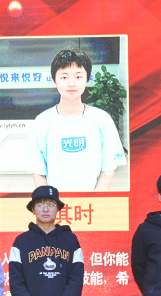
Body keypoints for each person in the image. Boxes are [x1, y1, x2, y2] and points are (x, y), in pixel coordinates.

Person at [26, 49, 126, 191]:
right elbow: (38, 172)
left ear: (87, 79)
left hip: (92, 202)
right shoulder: (41, 122)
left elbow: (108, 169)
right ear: (54, 80)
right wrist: (50, 200)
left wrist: (94, 200)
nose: (71, 83)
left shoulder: (103, 120)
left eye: (78, 76)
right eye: (64, 77)